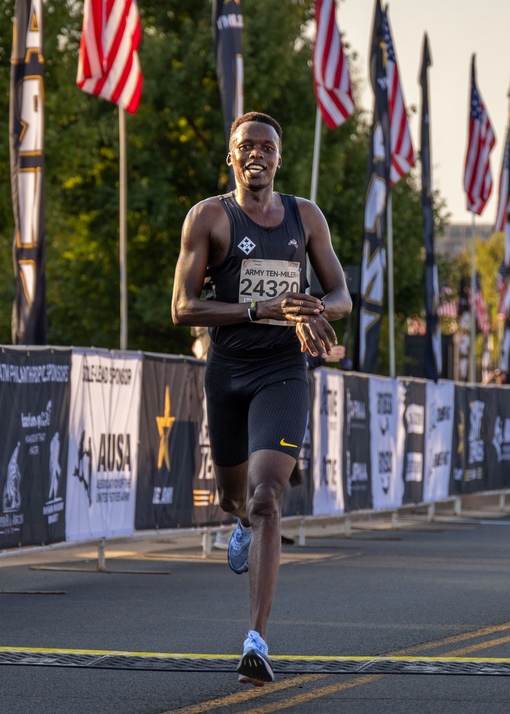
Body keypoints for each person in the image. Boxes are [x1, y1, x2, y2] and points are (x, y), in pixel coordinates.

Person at [171, 111, 351, 686]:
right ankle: (241, 523)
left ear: (279, 158)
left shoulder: (305, 217)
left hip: (282, 371)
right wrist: (258, 309)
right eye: (246, 146)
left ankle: (257, 640)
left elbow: (342, 293)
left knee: (269, 495)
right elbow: (182, 308)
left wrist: (311, 308)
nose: (257, 155)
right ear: (232, 156)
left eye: (267, 147)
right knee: (234, 500)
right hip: (227, 372)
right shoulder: (209, 218)